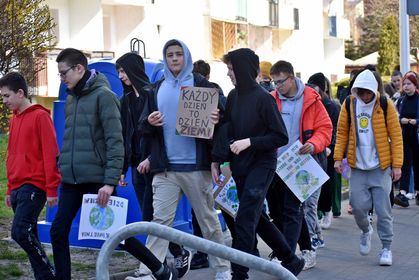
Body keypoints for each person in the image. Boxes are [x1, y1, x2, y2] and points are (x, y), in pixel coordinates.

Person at [50, 48, 177, 280]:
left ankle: (160, 269)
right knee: (58, 231)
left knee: (116, 235)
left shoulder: (104, 96)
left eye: (63, 73)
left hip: (98, 182)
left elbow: (115, 141)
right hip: (72, 179)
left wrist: (110, 181)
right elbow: (69, 138)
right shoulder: (71, 99)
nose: (62, 78)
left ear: (79, 69)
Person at [133, 39, 231, 280]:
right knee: (159, 222)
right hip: (165, 169)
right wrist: (149, 122)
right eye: (170, 55)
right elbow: (141, 125)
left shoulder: (204, 86)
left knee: (208, 221)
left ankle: (222, 269)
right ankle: (148, 270)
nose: (174, 58)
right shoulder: (155, 89)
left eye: (178, 54)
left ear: (186, 57)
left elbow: (225, 120)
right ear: (165, 59)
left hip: (197, 167)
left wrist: (218, 116)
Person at [212, 48, 305, 280]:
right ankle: (291, 259)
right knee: (256, 217)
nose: (228, 74)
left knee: (244, 218)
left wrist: (250, 142)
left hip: (262, 165)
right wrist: (215, 156)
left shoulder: (264, 98)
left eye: (231, 69)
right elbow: (228, 129)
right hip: (240, 165)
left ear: (243, 69)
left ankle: (239, 273)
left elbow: (280, 136)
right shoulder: (233, 97)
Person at [334, 69, 403, 266]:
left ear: (374, 89)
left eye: (367, 92)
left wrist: (396, 165)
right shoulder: (349, 104)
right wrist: (338, 158)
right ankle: (366, 231)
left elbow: (396, 136)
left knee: (383, 211)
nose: (364, 96)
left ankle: (386, 248)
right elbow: (342, 133)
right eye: (360, 92)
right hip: (358, 168)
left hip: (380, 167)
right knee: (357, 208)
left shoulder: (385, 104)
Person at [266, 61, 332, 254]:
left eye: (280, 82)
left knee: (292, 209)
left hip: (300, 165)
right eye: (274, 83)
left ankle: (286, 256)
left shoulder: (312, 99)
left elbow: (325, 129)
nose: (277, 87)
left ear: (292, 78)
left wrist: (313, 144)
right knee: (279, 211)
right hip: (275, 164)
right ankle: (306, 249)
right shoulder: (271, 99)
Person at [0, 72, 60, 280]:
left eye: (7, 96)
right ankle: (42, 277)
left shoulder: (40, 116)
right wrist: (9, 188)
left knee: (20, 233)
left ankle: (49, 274)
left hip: (35, 186)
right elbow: (12, 155)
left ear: (20, 93)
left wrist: (52, 189)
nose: (4, 101)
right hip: (17, 187)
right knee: (30, 234)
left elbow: (51, 153)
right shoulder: (14, 119)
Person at [116, 52, 154, 222]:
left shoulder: (152, 94)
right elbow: (124, 135)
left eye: (123, 71)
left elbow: (162, 133)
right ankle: (175, 249)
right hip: (136, 165)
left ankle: (174, 249)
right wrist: (123, 169)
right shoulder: (125, 99)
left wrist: (152, 158)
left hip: (154, 163)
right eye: (118, 72)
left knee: (154, 214)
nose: (120, 76)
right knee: (148, 215)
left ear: (134, 69)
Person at [307, 72, 341, 229]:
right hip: (313, 147)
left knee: (327, 182)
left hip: (328, 149)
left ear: (319, 88)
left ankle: (327, 211)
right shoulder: (310, 103)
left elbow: (334, 129)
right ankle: (319, 213)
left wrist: (329, 147)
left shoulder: (332, 106)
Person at [393, 71, 419, 207]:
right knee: (405, 165)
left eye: (409, 84)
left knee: (418, 165)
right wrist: (400, 120)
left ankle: (417, 192)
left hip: (417, 136)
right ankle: (402, 193)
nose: (406, 87)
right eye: (405, 84)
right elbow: (395, 116)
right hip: (405, 137)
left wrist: (417, 121)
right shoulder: (401, 100)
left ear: (415, 85)